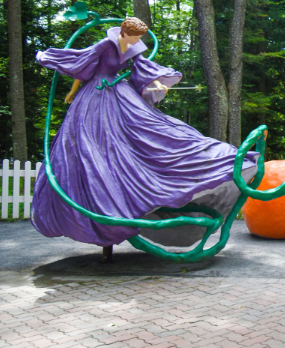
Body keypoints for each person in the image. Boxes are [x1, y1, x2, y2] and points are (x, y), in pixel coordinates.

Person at [31, 17, 257, 247]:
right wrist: (73, 91)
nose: (138, 41)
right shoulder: (104, 45)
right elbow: (83, 67)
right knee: (93, 142)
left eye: (140, 37)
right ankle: (106, 203)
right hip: (96, 96)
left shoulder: (133, 45)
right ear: (124, 32)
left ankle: (199, 164)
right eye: (135, 36)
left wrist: (157, 83)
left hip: (121, 93)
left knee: (152, 127)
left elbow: (143, 68)